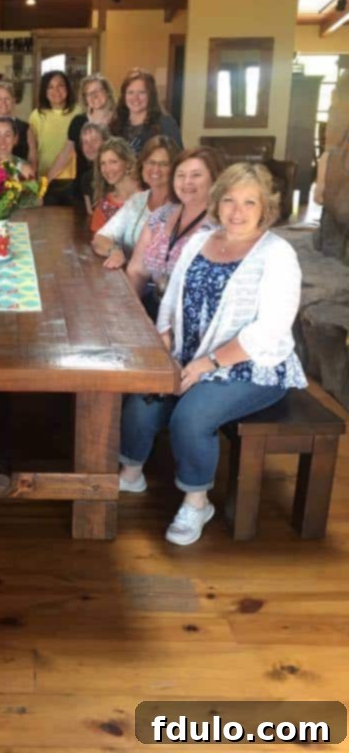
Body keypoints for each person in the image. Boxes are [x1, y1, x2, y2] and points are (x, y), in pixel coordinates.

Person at [119, 163, 307, 546]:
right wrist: (166, 342)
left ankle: (196, 501)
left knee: (190, 417)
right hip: (191, 354)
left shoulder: (278, 254)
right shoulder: (201, 240)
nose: (237, 211)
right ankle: (130, 474)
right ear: (218, 203)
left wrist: (210, 362)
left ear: (265, 207)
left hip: (252, 366)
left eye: (249, 202)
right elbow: (171, 298)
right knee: (143, 398)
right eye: (230, 201)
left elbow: (270, 329)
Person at [126, 147, 223, 319]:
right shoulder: (161, 215)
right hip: (154, 307)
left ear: (214, 180)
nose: (187, 182)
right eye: (180, 175)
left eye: (196, 175)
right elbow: (137, 271)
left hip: (192, 318)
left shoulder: (220, 224)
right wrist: (128, 314)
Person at [92, 135, 180, 267]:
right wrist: (115, 252)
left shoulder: (180, 206)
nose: (155, 169)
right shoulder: (137, 200)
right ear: (143, 164)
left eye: (163, 164)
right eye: (151, 162)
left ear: (175, 169)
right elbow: (100, 238)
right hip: (128, 279)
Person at [46, 74, 116, 203]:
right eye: (89, 94)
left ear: (107, 92)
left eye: (98, 91)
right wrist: (45, 183)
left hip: (111, 188)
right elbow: (65, 155)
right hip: (82, 187)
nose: (94, 96)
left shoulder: (119, 121)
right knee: (49, 197)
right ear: (85, 99)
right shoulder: (79, 121)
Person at [29, 70, 81, 205]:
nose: (56, 90)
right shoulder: (37, 115)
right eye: (50, 87)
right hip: (44, 179)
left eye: (60, 85)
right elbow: (32, 150)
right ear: (44, 92)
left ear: (68, 88)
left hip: (72, 179)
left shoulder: (79, 112)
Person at [111, 68, 183, 155]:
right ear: (124, 96)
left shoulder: (166, 124)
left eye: (141, 92)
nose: (135, 98)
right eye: (130, 92)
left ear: (151, 95)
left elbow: (178, 159)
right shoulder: (115, 124)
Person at [89, 138, 140, 234]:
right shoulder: (103, 206)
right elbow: (97, 243)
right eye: (103, 163)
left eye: (113, 162)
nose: (107, 169)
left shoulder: (148, 195)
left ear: (128, 163)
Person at [78, 122, 110, 214]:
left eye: (94, 140)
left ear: (106, 141)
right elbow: (91, 214)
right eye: (85, 142)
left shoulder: (116, 172)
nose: (89, 146)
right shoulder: (86, 178)